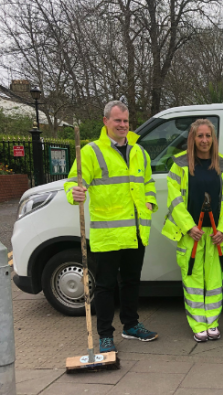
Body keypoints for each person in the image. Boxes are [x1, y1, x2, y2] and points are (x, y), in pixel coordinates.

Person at [64, 100, 158, 354]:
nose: (123, 125)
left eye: (126, 121)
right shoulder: (91, 152)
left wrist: (150, 201)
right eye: (118, 120)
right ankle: (105, 334)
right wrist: (75, 194)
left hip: (136, 231)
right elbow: (74, 181)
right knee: (105, 286)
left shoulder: (139, 152)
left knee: (131, 281)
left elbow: (147, 182)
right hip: (108, 232)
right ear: (105, 121)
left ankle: (131, 325)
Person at [161, 119, 223, 342]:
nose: (204, 140)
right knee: (193, 280)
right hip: (191, 234)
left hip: (216, 236)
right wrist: (188, 227)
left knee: (215, 281)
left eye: (208, 136)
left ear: (213, 139)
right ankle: (198, 324)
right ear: (192, 139)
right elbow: (174, 200)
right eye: (200, 136)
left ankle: (212, 322)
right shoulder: (180, 165)